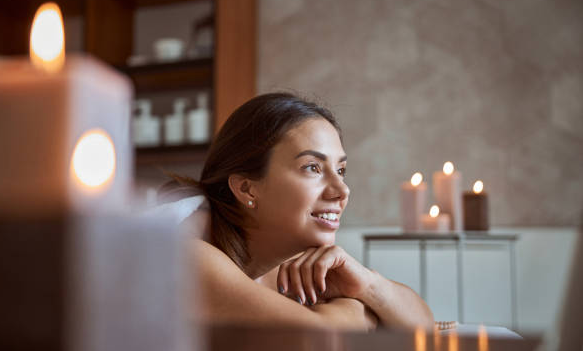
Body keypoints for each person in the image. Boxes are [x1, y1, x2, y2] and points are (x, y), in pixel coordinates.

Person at [161, 93, 434, 331]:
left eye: (341, 171)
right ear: (247, 189)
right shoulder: (185, 254)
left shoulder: (292, 262)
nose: (341, 190)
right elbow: (318, 336)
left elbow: (424, 326)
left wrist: (366, 285)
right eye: (312, 167)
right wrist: (359, 309)